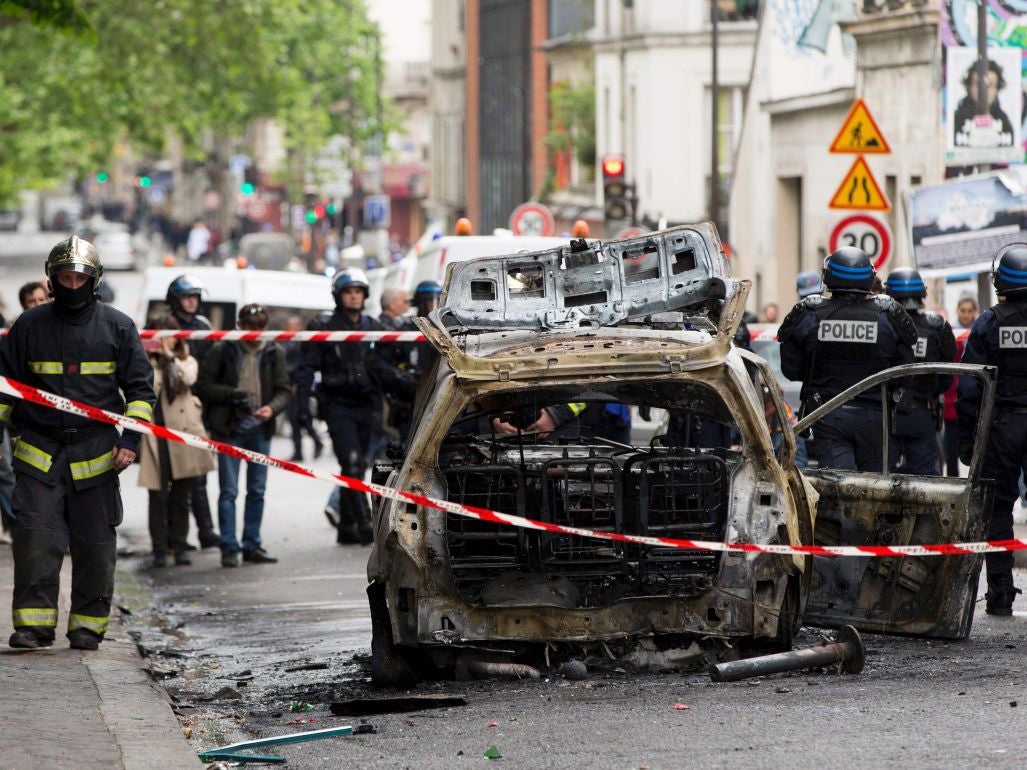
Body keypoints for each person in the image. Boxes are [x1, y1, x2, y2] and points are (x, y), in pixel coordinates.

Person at [0, 236, 155, 649]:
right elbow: (4, 389)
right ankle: (33, 626)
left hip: (98, 454)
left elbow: (140, 391)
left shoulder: (118, 326)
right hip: (38, 452)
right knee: (35, 539)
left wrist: (130, 440)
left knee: (95, 544)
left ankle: (88, 626)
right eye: (64, 277)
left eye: (79, 278)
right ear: (51, 281)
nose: (72, 285)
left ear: (94, 280)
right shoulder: (28, 326)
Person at [296, 268, 416, 545]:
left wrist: (402, 387)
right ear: (339, 296)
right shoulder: (324, 325)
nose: (353, 296)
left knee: (357, 466)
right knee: (350, 463)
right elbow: (306, 369)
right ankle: (364, 524)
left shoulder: (372, 326)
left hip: (367, 404)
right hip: (337, 405)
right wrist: (303, 406)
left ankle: (346, 527)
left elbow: (384, 365)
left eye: (358, 292)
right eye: (349, 292)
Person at [778, 247, 917, 471]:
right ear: (869, 278)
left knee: (838, 490)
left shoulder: (809, 312)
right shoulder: (889, 314)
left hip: (828, 414)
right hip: (876, 416)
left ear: (828, 276)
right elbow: (904, 372)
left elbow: (791, 369)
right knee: (872, 490)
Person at [957, 243, 1027, 615]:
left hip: (1003, 425)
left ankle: (1000, 591)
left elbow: (970, 387)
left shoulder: (989, 322)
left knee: (998, 507)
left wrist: (968, 441)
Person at [195, 304, 291, 567]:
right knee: (229, 491)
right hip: (229, 428)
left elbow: (284, 389)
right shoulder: (223, 349)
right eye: (249, 326)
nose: (254, 332)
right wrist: (231, 395)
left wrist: (271, 409)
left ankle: (252, 544)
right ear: (240, 325)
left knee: (257, 490)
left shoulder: (273, 352)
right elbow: (203, 385)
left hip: (260, 430)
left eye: (259, 326)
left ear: (265, 327)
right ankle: (229, 545)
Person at [138, 315, 216, 567]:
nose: (165, 340)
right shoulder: (144, 363)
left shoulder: (186, 359)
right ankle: (160, 548)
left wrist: (170, 357)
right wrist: (154, 358)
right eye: (159, 335)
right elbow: (144, 386)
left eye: (169, 335)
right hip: (155, 435)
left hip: (182, 434)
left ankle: (180, 545)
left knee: (183, 496)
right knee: (157, 497)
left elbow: (187, 379)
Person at [165, 274, 219, 550]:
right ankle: (173, 537)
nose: (192, 302)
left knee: (198, 473)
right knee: (173, 478)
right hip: (171, 406)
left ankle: (206, 531)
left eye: (195, 297)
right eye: (187, 297)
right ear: (175, 300)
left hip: (198, 406)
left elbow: (210, 366)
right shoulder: (165, 326)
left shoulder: (203, 326)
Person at [884, 268, 956, 475]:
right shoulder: (937, 327)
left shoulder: (883, 325)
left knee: (880, 477)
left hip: (886, 415)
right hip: (922, 414)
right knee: (925, 480)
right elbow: (946, 379)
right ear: (922, 294)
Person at [283, 315, 323, 463]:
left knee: (303, 418)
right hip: (289, 386)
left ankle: (316, 441)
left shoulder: (302, 344)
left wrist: (297, 385)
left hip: (299, 387)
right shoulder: (287, 343)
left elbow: (302, 367)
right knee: (294, 420)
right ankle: (298, 451)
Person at [952, 60, 1015, 151]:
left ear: (997, 89)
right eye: (978, 84)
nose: (984, 91)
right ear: (969, 87)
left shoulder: (1003, 120)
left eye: (990, 85)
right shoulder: (957, 118)